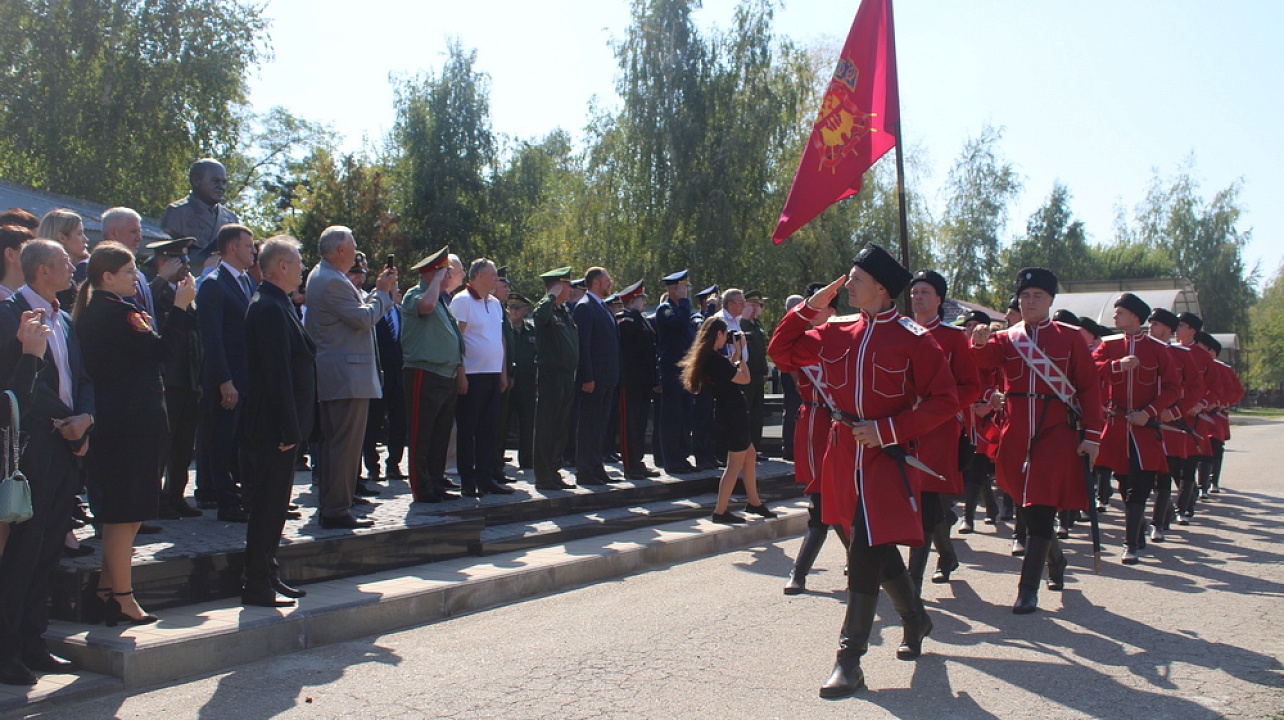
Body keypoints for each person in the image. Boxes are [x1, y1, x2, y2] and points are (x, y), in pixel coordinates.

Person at [768, 243, 958, 697]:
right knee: (868, 544)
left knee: (865, 551)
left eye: (853, 279)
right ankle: (916, 618)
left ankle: (849, 659)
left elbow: (946, 400)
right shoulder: (836, 331)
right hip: (842, 455)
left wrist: (890, 429)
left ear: (880, 287)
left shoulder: (915, 338)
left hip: (883, 458)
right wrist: (813, 306)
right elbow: (781, 351)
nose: (846, 285)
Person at [74, 241, 196, 625]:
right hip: (130, 423)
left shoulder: (101, 310)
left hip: (124, 421)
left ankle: (108, 590)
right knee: (123, 514)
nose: (135, 278)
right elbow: (160, 352)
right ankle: (123, 597)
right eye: (128, 273)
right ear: (107, 277)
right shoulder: (117, 312)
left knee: (125, 512)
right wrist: (179, 307)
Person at [971, 267, 1103, 613]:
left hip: (1055, 432)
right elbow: (982, 364)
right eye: (1025, 296)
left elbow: (1089, 388)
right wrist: (980, 342)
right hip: (1015, 431)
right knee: (1025, 504)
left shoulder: (1070, 337)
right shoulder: (1007, 337)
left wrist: (1092, 436)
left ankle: (1027, 588)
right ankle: (1054, 558)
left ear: (1050, 301)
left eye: (1038, 297)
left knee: (1041, 505)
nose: (1030, 302)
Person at [0, 239, 95, 683]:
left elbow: (82, 376)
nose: (75, 266)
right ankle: (8, 650)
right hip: (32, 447)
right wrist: (65, 422)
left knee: (49, 549)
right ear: (41, 271)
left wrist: (86, 417)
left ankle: (34, 642)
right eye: (65, 262)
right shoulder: (9, 314)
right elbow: (18, 386)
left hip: (67, 446)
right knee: (23, 551)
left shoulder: (65, 320)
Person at [240, 236, 315, 607]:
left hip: (283, 426)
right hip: (273, 427)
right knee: (267, 505)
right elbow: (276, 374)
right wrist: (288, 427)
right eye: (298, 262)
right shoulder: (267, 306)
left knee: (276, 504)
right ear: (281, 266)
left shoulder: (278, 302)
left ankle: (268, 572)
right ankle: (256, 583)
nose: (303, 268)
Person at [306, 226, 397, 529]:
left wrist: (376, 292)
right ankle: (336, 509)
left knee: (337, 445)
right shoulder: (332, 280)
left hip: (340, 375)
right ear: (340, 250)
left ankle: (333, 505)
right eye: (353, 244)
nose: (356, 249)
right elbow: (363, 318)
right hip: (346, 375)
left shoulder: (326, 277)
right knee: (344, 447)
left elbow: (357, 311)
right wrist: (383, 294)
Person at [906, 270, 981, 590]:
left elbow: (971, 386)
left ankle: (912, 582)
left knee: (926, 499)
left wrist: (940, 406)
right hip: (902, 426)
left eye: (925, 292)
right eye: (914, 292)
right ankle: (947, 555)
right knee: (924, 501)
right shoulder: (901, 332)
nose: (918, 297)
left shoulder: (953, 338)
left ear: (939, 299)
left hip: (938, 429)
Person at [1091, 293, 1179, 564]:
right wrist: (1117, 365)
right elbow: (1089, 371)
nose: (1115, 316)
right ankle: (1137, 531)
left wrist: (1149, 412)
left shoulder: (1157, 349)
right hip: (1116, 426)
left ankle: (1130, 544)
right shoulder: (1108, 346)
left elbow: (1174, 387)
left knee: (1140, 485)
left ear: (1135, 318)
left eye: (1120, 313)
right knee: (1124, 481)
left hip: (1144, 428)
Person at [776, 287, 848, 594]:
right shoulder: (804, 343)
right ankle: (806, 569)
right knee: (821, 499)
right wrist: (802, 312)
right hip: (813, 423)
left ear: (831, 311)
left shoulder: (847, 337)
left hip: (842, 424)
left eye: (818, 305)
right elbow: (778, 351)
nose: (812, 309)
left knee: (833, 500)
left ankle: (802, 570)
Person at [680, 316, 773, 523]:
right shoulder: (716, 361)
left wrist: (736, 355)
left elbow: (726, 371)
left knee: (749, 456)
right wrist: (742, 359)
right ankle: (720, 511)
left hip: (727, 412)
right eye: (724, 335)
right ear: (719, 335)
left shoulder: (709, 360)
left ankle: (754, 502)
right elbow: (744, 378)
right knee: (734, 464)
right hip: (733, 415)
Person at [195, 224, 257, 522]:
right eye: (249, 245)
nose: (254, 251)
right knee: (222, 441)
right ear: (232, 247)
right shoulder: (213, 284)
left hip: (248, 378)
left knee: (245, 442)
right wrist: (224, 380)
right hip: (227, 380)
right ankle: (226, 502)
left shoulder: (248, 283)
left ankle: (247, 496)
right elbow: (213, 338)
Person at [400, 247, 465, 504]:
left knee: (440, 433)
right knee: (421, 432)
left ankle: (436, 481)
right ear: (434, 273)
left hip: (445, 375)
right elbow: (424, 307)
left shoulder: (441, 301)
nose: (450, 275)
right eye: (446, 271)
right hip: (423, 372)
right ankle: (421, 487)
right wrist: (436, 279)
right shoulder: (415, 294)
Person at [147, 237, 203, 518]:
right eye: (178, 260)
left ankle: (176, 495)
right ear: (162, 263)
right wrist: (161, 279)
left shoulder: (187, 293)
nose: (186, 266)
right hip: (168, 379)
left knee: (183, 443)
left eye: (186, 260)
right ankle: (156, 499)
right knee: (163, 444)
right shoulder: (153, 290)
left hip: (189, 379)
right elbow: (145, 306)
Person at [449, 259, 514, 497]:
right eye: (492, 275)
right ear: (477, 276)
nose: (496, 279)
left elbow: (500, 339)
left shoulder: (495, 304)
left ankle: (486, 478)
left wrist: (503, 372)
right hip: (472, 375)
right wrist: (461, 373)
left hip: (492, 374)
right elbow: (457, 339)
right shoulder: (462, 301)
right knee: (468, 429)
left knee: (489, 429)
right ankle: (468, 480)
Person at [531, 267, 579, 490]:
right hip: (551, 376)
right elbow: (539, 317)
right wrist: (549, 295)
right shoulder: (546, 309)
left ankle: (554, 470)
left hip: (567, 376)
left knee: (561, 427)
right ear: (557, 286)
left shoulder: (563, 312)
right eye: (566, 285)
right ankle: (543, 475)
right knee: (547, 426)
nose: (570, 289)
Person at [572, 267, 620, 485]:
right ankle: (585, 470)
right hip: (594, 380)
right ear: (596, 283)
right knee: (589, 425)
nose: (610, 284)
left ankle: (596, 466)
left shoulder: (602, 307)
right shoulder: (585, 307)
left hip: (607, 378)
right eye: (607, 280)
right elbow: (584, 346)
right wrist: (587, 377)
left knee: (600, 425)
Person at [653, 270, 697, 474]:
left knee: (685, 415)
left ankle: (681, 456)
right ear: (673, 289)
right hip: (671, 371)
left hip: (685, 370)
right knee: (672, 416)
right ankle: (671, 459)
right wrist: (684, 302)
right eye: (682, 287)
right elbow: (679, 323)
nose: (686, 291)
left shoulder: (682, 310)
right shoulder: (666, 310)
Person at [615, 280, 659, 480]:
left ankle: (639, 461)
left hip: (644, 380)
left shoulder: (642, 320)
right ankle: (629, 465)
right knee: (630, 423)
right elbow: (628, 341)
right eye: (640, 299)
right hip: (630, 380)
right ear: (632, 300)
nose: (643, 302)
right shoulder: (625, 320)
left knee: (640, 423)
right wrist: (632, 313)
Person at [161, 158, 241, 266]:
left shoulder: (231, 218)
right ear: (196, 181)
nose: (221, 187)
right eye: (215, 181)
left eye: (224, 182)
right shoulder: (177, 212)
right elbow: (169, 256)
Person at [503, 292, 537, 470]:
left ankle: (527, 458)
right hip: (507, 381)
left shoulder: (532, 331)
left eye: (517, 308)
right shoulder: (503, 329)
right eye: (511, 308)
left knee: (527, 422)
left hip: (527, 382)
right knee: (503, 421)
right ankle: (497, 457)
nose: (513, 311)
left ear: (526, 310)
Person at [36, 209, 89, 309]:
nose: (85, 239)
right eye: (79, 233)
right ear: (62, 237)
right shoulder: (58, 280)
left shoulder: (66, 277)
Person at [741, 290, 769, 455]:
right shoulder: (743, 324)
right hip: (746, 375)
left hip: (758, 375)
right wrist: (745, 318)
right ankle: (745, 447)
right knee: (746, 412)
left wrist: (765, 370)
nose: (760, 308)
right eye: (758, 305)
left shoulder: (757, 325)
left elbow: (761, 350)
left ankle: (755, 448)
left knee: (757, 414)